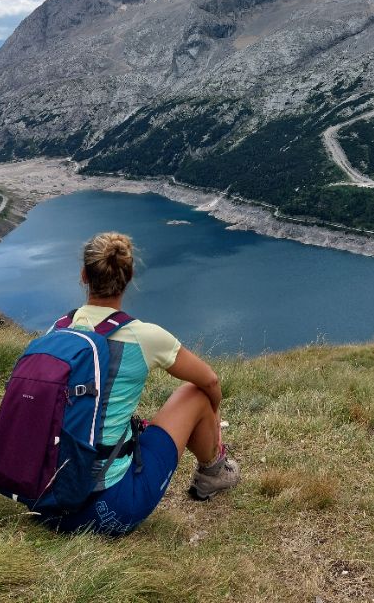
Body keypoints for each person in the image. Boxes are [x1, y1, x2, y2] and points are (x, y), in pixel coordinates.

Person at [39, 230, 240, 536]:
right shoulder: (143, 336)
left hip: (44, 500)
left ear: (84, 276)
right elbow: (210, 381)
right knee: (195, 392)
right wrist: (214, 414)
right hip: (108, 510)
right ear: (129, 276)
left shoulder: (57, 330)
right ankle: (213, 473)